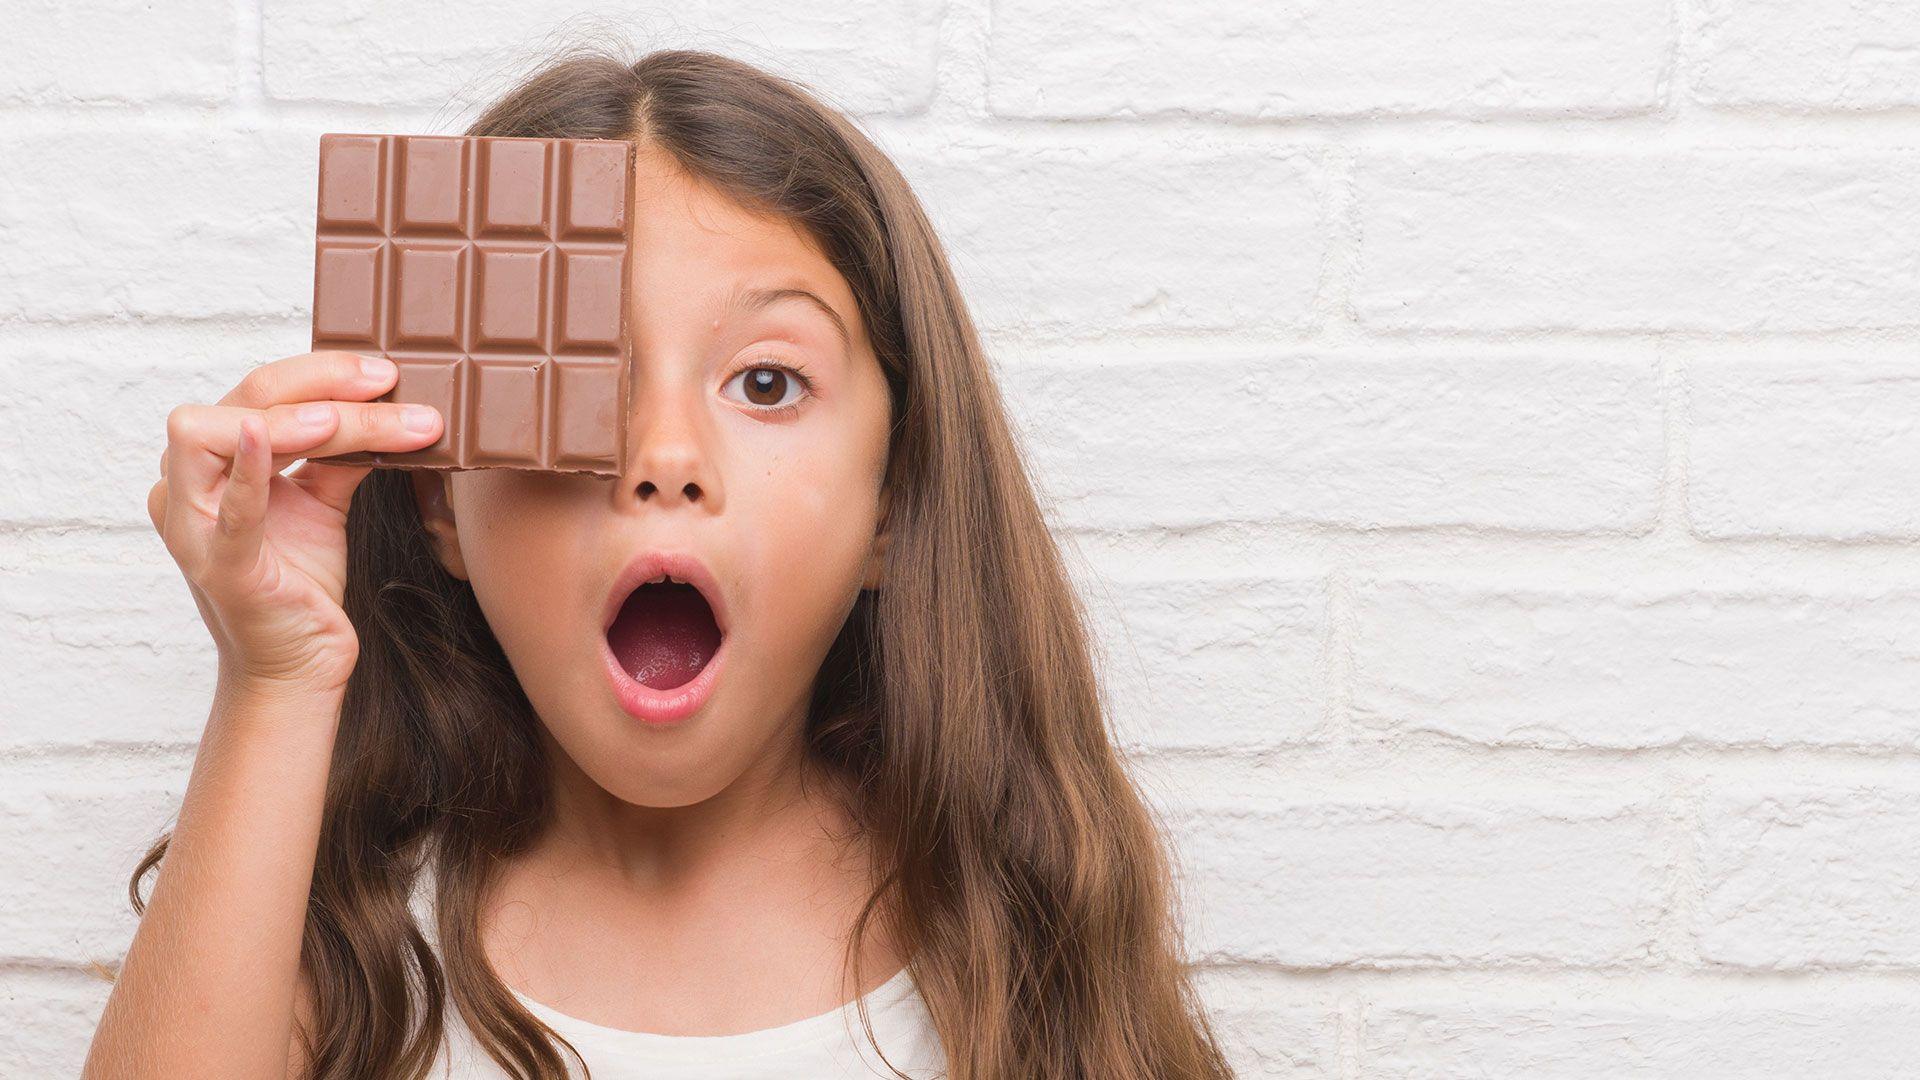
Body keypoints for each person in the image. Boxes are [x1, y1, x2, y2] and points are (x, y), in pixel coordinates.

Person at [82, 44, 1235, 1080]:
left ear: (890, 505)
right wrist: (271, 678)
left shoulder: (1013, 950)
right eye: (587, 381)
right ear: (442, 507)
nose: (666, 458)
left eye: (767, 383)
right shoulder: (344, 957)